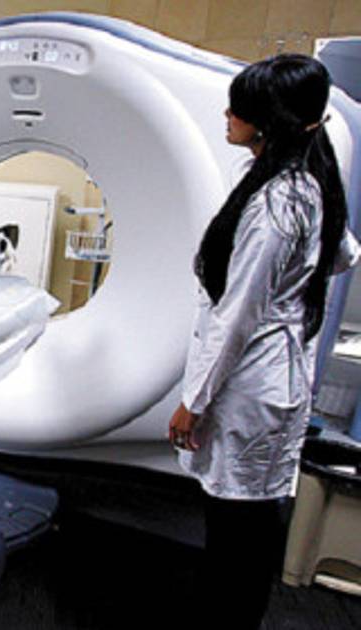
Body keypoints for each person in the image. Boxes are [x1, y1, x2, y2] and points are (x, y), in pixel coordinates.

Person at [168, 53, 360, 629]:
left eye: (239, 109)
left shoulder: (278, 205)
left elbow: (238, 317)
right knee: (245, 526)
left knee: (238, 534)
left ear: (268, 122)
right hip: (276, 373)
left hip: (252, 382)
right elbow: (346, 254)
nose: (227, 116)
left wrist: (193, 401)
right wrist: (295, 283)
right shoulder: (308, 181)